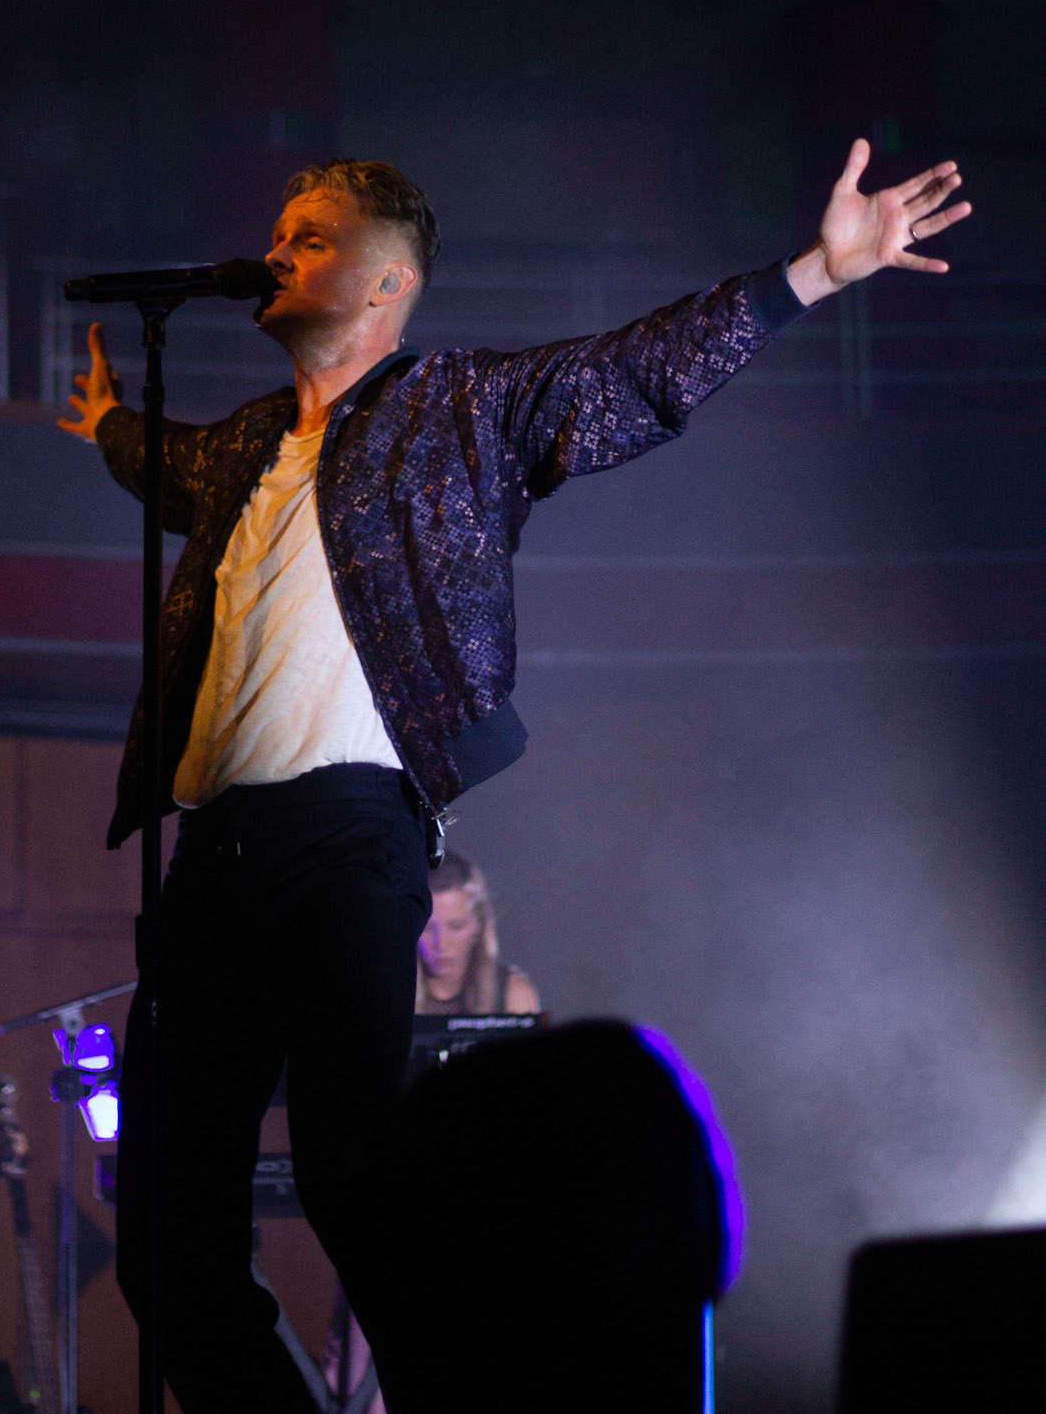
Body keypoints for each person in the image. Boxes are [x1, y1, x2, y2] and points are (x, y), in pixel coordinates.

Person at [59, 140, 969, 1413]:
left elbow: (634, 372)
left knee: (351, 1175)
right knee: (162, 1226)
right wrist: (108, 424)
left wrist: (815, 272)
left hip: (350, 832)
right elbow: (164, 463)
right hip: (214, 855)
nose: (276, 251)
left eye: (308, 235)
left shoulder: (458, 406)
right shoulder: (247, 446)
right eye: (278, 231)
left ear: (388, 283)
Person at [415, 851, 539, 1016]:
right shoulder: (386, 991)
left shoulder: (513, 994)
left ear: (478, 924)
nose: (441, 943)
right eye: (427, 928)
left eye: (456, 926)